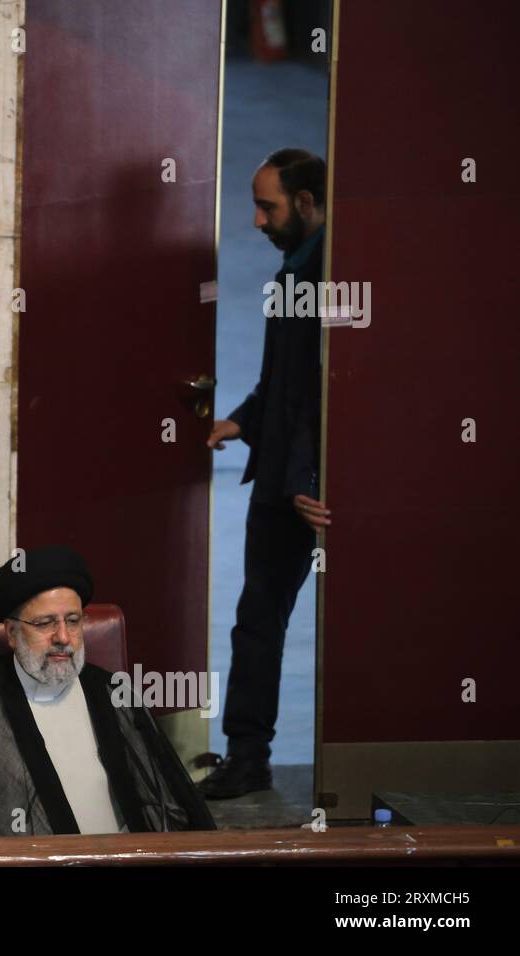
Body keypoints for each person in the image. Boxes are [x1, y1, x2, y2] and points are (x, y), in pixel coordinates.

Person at [0, 546, 215, 839]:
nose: (63, 637)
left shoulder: (114, 693)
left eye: (72, 621)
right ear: (12, 633)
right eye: (44, 623)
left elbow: (173, 805)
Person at [202, 148, 329, 799]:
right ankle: (247, 757)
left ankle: (254, 756)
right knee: (257, 618)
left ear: (305, 203)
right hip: (284, 480)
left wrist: (310, 480)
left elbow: (328, 392)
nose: (255, 220)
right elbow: (282, 383)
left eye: (267, 206)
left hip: (310, 490)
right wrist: (242, 421)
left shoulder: (335, 276)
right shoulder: (294, 273)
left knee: (268, 619)